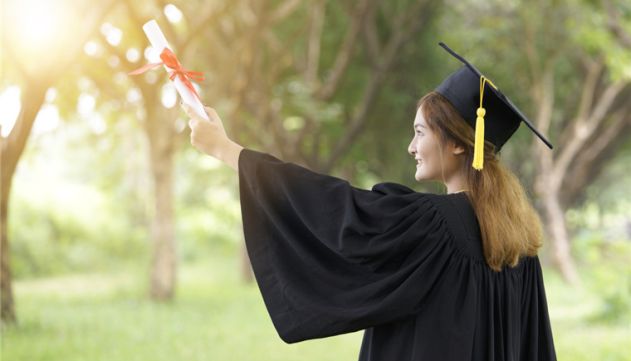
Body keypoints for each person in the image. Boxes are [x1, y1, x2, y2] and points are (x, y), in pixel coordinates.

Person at [182, 42, 557, 361]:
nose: (411, 147)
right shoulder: (518, 241)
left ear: (459, 144)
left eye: (420, 132)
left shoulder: (433, 225)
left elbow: (335, 210)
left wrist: (226, 149)